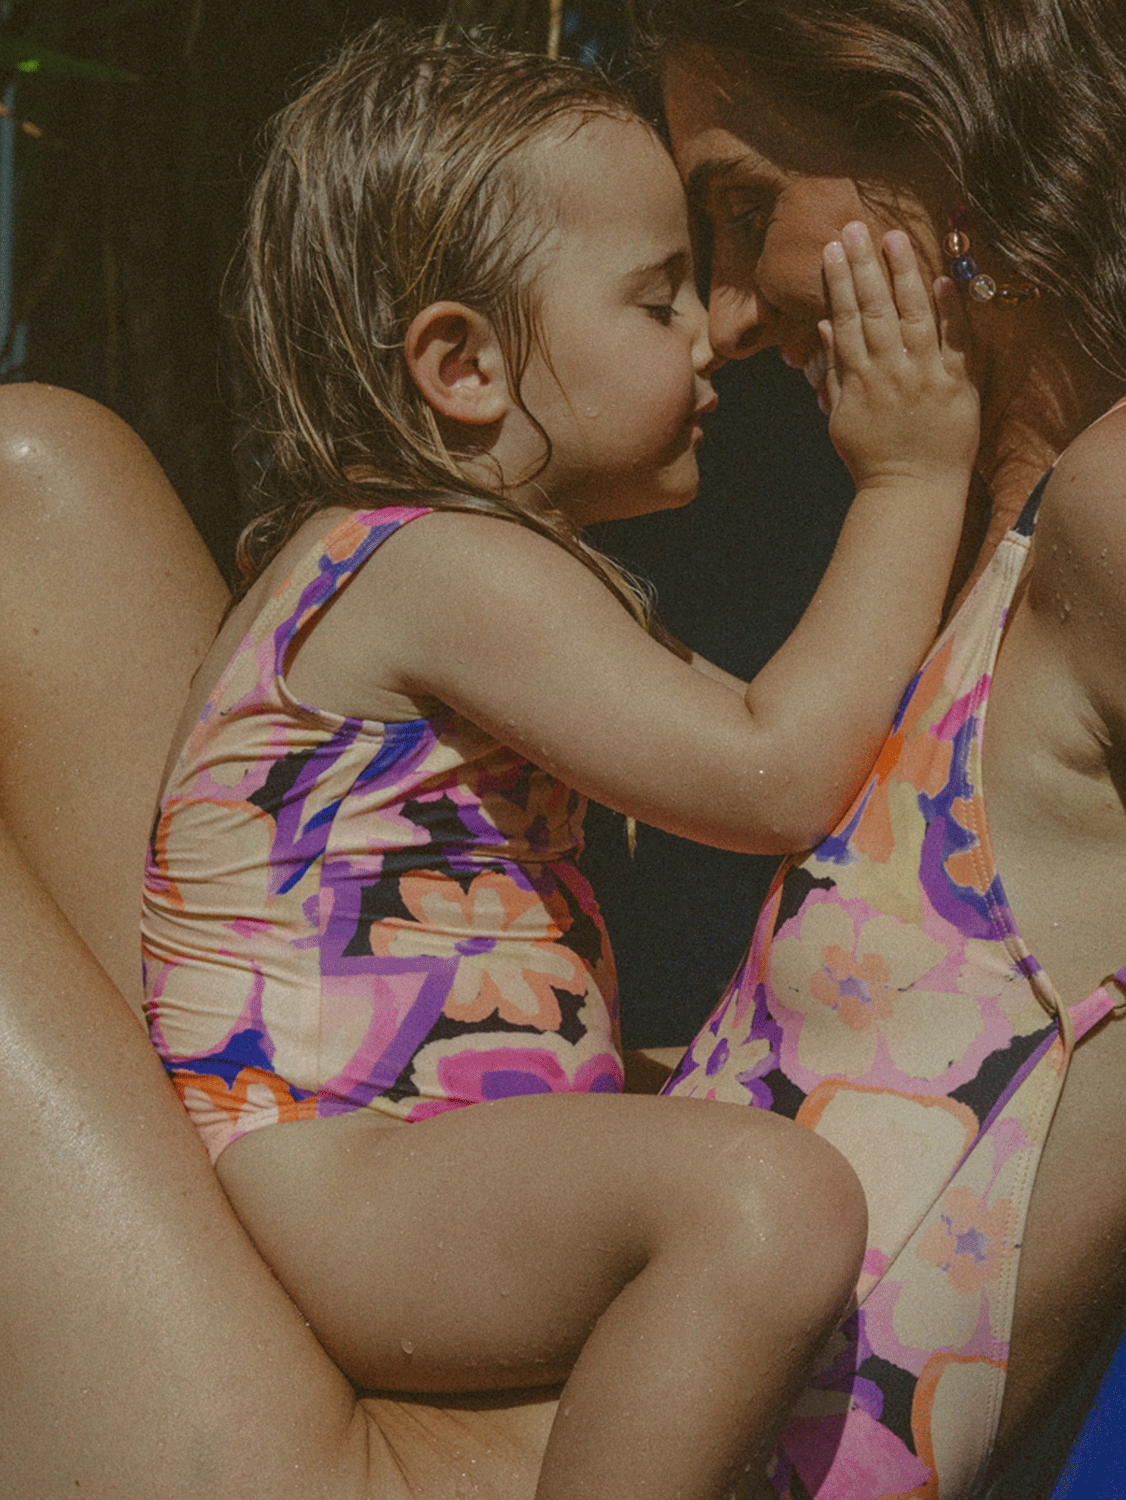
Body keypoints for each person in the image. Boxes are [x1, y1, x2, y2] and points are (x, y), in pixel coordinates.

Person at [137, 25, 975, 1500]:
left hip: (383, 1164)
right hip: (344, 1173)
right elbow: (774, 776)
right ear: (463, 365)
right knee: (763, 1200)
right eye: (657, 297)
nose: (713, 334)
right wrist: (913, 479)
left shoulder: (445, 570)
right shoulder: (441, 566)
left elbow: (794, 740)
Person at [634, 0, 1126, 1494]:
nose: (725, 318)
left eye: (742, 211)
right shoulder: (977, 548)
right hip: (647, 1421)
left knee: (44, 489)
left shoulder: (1110, 498)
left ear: (940, 137)